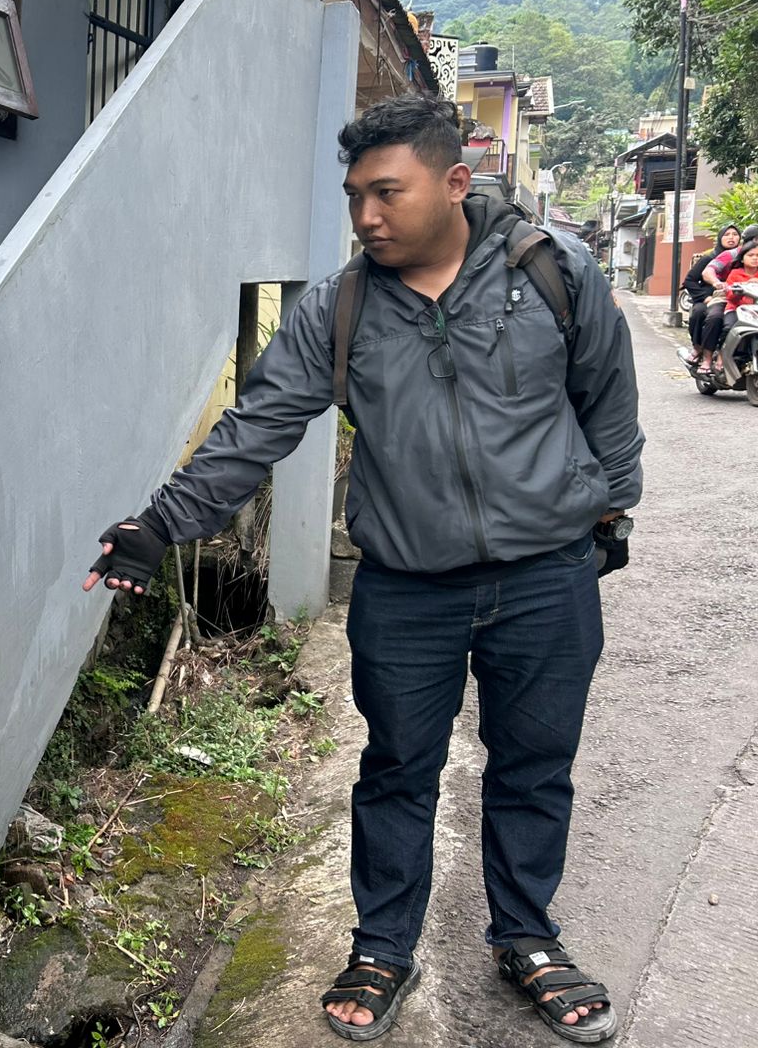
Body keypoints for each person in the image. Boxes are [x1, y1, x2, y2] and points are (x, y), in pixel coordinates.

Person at [85, 94, 642, 1043]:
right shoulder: (341, 307)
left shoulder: (550, 271)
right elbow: (257, 426)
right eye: (355, 196)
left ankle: (528, 938)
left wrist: (610, 508)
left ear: (455, 182)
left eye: (388, 192)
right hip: (407, 589)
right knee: (396, 770)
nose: (367, 216)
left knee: (533, 766)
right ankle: (382, 945)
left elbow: (607, 395)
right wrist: (162, 523)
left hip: (546, 579)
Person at [696, 224, 758, 371]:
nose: (755, 257)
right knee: (717, 320)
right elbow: (708, 272)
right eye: (751, 255)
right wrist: (719, 284)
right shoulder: (731, 258)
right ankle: (711, 357)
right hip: (729, 300)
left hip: (754, 307)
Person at [679, 225, 739, 370]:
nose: (731, 238)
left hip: (735, 297)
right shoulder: (710, 258)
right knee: (700, 312)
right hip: (709, 296)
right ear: (720, 238)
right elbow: (690, 281)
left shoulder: (743, 258)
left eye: (735, 234)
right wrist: (705, 297)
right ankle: (698, 347)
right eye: (727, 234)